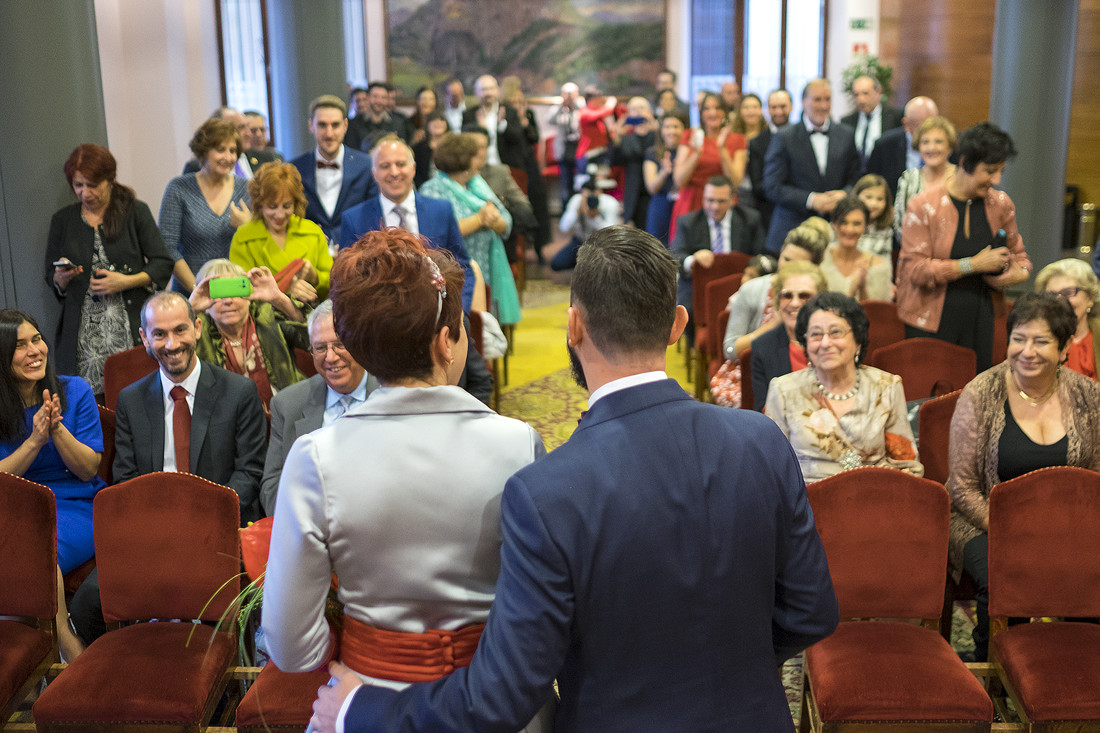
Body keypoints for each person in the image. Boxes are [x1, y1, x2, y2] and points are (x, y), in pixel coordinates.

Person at [309, 225, 838, 733]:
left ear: (573, 326)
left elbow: (500, 697)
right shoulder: (762, 442)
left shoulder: (546, 491)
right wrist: (723, 661)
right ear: (677, 324)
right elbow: (812, 611)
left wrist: (361, 711)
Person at [262, 230, 549, 726]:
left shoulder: (316, 458)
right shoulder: (519, 444)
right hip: (493, 701)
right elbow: (540, 613)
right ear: (445, 342)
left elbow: (291, 647)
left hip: (365, 699)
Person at [71, 292, 268, 647]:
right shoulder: (132, 399)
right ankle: (132, 676)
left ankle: (214, 685)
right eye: (159, 334)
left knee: (214, 615)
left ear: (196, 327)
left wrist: (200, 522)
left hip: (216, 531)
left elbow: (250, 474)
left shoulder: (239, 392)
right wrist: (157, 529)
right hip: (151, 531)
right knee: (87, 604)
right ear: (144, 338)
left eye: (180, 330)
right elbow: (128, 479)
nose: (172, 344)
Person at [947, 292, 1100, 661]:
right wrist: (1013, 530)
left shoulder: (1088, 395)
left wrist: (1070, 530)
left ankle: (1077, 668)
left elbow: (1094, 474)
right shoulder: (981, 392)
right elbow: (962, 486)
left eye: (1041, 341)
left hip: (1067, 524)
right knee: (1006, 572)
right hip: (982, 522)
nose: (1027, 351)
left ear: (1064, 348)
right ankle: (995, 672)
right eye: (1019, 338)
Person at [0, 310, 105, 661]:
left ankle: (68, 653)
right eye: (20, 346)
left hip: (75, 503)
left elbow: (89, 469)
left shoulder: (75, 390)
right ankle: (29, 665)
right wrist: (34, 440)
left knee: (38, 554)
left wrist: (57, 430)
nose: (34, 351)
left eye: (37, 339)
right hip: (14, 507)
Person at [897, 121, 1031, 372]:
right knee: (929, 398)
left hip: (980, 319)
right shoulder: (924, 205)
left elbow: (1021, 259)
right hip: (930, 320)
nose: (996, 179)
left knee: (974, 398)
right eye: (989, 171)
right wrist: (973, 265)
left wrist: (1014, 274)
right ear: (965, 162)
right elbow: (915, 270)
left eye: (1000, 171)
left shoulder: (1001, 204)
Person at [46, 144, 174, 395]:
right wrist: (61, 278)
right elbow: (51, 279)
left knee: (138, 395)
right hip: (84, 336)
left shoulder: (135, 211)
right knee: (91, 405)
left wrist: (125, 281)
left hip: (129, 328)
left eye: (93, 185)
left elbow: (162, 263)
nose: (85, 193)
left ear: (111, 180)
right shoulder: (63, 220)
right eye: (78, 185)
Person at [766, 292, 922, 482]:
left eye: (835, 332)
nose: (825, 343)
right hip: (810, 501)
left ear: (857, 340)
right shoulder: (783, 390)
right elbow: (773, 468)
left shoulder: (886, 386)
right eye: (815, 334)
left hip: (874, 496)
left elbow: (905, 463)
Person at [260, 300, 378, 516]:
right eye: (320, 348)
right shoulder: (288, 405)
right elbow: (272, 491)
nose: (331, 357)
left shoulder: (391, 395)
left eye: (340, 344)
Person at [339, 136, 475, 312]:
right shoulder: (354, 220)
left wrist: (457, 312)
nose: (394, 172)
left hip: (439, 314)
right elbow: (347, 279)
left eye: (401, 164)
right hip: (380, 321)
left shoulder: (442, 211)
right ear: (374, 174)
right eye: (385, 166)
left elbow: (462, 268)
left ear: (413, 168)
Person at [420, 133, 520, 325]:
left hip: (486, 264)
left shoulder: (476, 184)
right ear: (463, 159)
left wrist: (494, 220)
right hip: (455, 269)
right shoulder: (433, 189)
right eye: (476, 154)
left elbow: (505, 219)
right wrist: (480, 218)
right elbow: (440, 230)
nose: (482, 157)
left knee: (484, 327)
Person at [190, 259, 309, 413]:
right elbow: (166, 350)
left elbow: (311, 337)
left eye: (236, 290)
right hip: (225, 424)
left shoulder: (266, 316)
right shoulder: (197, 330)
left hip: (289, 412)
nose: (228, 300)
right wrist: (190, 308)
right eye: (220, 293)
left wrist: (279, 298)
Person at [763, 78, 862, 254]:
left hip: (837, 230)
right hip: (792, 230)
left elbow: (857, 177)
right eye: (817, 99)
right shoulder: (785, 137)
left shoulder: (846, 134)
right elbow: (772, 186)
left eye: (828, 99)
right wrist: (811, 200)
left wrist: (845, 194)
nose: (824, 106)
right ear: (803, 102)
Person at [159, 117, 251, 294]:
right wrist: (199, 290)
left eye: (233, 151)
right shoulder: (179, 188)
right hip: (191, 291)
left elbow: (260, 244)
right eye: (220, 150)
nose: (228, 157)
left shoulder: (247, 189)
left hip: (235, 291)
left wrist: (249, 226)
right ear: (204, 151)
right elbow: (167, 247)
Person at [721, 221, 830, 362]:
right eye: (786, 259)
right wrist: (772, 325)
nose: (788, 267)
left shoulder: (819, 296)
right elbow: (729, 350)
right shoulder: (752, 290)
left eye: (797, 264)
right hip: (750, 369)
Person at [229, 161, 332, 303]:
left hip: (312, 320)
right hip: (264, 322)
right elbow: (240, 290)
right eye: (272, 206)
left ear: (296, 203)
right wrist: (286, 290)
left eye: (286, 206)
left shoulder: (313, 233)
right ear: (260, 204)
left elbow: (334, 283)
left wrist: (315, 277)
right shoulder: (243, 238)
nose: (280, 214)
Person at [672, 175, 766, 321]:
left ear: (732, 200)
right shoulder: (688, 222)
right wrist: (693, 259)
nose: (715, 207)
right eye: (710, 200)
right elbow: (675, 255)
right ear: (703, 199)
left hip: (741, 283)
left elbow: (761, 255)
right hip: (700, 287)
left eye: (721, 201)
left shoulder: (750, 220)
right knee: (685, 308)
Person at [290, 94, 379, 245]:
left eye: (335, 125)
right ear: (311, 126)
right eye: (322, 125)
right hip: (309, 254)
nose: (329, 133)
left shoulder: (366, 165)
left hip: (356, 252)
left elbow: (374, 213)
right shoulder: (294, 169)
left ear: (345, 125)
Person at [748, 261, 827, 410]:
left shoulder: (836, 342)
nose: (795, 303)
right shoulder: (763, 347)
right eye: (787, 296)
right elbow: (764, 410)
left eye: (804, 296)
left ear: (820, 301)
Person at [669, 92, 746, 242]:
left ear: (725, 112)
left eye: (717, 108)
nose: (713, 113)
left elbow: (735, 182)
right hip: (691, 200)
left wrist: (722, 149)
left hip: (722, 201)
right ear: (701, 113)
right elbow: (678, 181)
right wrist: (697, 153)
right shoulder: (689, 135)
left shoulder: (738, 139)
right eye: (707, 108)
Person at [892, 115, 957, 237]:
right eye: (925, 142)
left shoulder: (961, 177)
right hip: (914, 250)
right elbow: (900, 226)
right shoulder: (909, 179)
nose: (931, 148)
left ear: (949, 147)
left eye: (938, 141)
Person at [1036, 258, 1100, 380]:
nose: (1060, 301)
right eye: (1052, 295)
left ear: (1090, 297)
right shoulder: (1034, 339)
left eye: (1068, 292)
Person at [820, 196, 892, 300]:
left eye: (857, 224)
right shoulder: (820, 260)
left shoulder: (879, 267)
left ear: (865, 227)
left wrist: (862, 288)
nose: (850, 230)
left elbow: (877, 312)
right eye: (843, 222)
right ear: (834, 224)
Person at [867, 96, 940, 198]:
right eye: (920, 125)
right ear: (906, 124)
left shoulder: (948, 145)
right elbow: (871, 184)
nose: (927, 130)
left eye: (932, 124)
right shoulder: (885, 145)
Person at [551, 180, 622, 272]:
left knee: (611, 268)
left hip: (602, 245)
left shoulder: (609, 203)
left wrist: (594, 217)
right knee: (557, 263)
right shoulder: (576, 200)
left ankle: (589, 265)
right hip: (580, 241)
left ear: (600, 192)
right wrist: (576, 211)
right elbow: (563, 227)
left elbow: (612, 232)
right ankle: (583, 264)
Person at [748, 89, 793, 230]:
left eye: (783, 106)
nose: (778, 112)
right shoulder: (757, 142)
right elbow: (757, 184)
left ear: (791, 106)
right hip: (768, 213)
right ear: (767, 109)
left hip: (797, 210)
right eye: (774, 107)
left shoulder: (801, 138)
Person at [608, 97, 656, 229]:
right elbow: (614, 161)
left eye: (642, 108)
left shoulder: (657, 134)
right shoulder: (626, 138)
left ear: (650, 112)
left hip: (653, 190)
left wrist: (654, 128)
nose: (638, 112)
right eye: (634, 109)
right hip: (633, 191)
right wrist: (617, 137)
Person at [462, 75, 527, 172]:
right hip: (478, 169)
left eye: (491, 89)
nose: (488, 93)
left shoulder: (509, 112)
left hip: (506, 168)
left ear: (497, 90)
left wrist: (502, 124)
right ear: (476, 92)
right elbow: (465, 143)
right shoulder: (469, 115)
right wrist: (480, 130)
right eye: (484, 89)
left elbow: (518, 138)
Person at [840, 75, 904, 168]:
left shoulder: (895, 118)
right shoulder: (847, 122)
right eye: (856, 94)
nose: (860, 99)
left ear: (878, 92)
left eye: (865, 93)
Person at [643, 112, 687, 245]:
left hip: (683, 204)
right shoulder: (653, 152)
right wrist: (663, 172)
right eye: (667, 127)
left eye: (676, 126)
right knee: (658, 248)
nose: (671, 131)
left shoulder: (688, 152)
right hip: (660, 205)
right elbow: (651, 187)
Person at [345, 81, 412, 151]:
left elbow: (402, 149)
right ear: (368, 98)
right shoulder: (354, 124)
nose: (379, 101)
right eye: (375, 97)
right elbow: (352, 151)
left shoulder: (398, 123)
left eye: (384, 97)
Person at [548, 82, 582, 208]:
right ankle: (566, 211)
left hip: (579, 151)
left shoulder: (581, 107)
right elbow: (550, 120)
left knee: (580, 182)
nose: (569, 97)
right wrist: (561, 107)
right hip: (564, 150)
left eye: (571, 94)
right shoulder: (557, 108)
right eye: (566, 94)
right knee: (565, 183)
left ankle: (578, 210)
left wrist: (575, 105)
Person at [731, 93, 766, 211]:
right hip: (740, 192)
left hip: (763, 192)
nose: (751, 111)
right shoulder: (733, 137)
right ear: (740, 111)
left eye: (755, 107)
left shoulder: (769, 136)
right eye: (746, 107)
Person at [853, 174, 895, 258]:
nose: (873, 204)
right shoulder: (842, 224)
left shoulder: (886, 231)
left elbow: (885, 266)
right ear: (856, 196)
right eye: (868, 197)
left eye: (880, 199)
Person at [412, 111, 450, 188]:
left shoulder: (454, 147)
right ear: (427, 125)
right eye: (434, 120)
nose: (438, 122)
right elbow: (416, 174)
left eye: (442, 120)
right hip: (425, 188)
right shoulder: (418, 148)